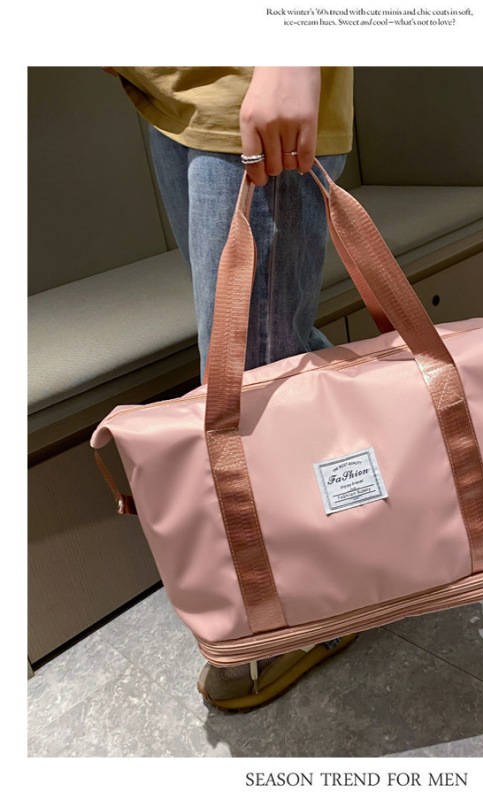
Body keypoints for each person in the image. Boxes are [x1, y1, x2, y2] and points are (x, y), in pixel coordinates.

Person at [107, 66, 358, 711]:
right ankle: (365, 541)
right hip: (173, 97)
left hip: (251, 96)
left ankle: (314, 609)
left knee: (251, 387)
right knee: (264, 363)